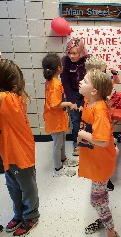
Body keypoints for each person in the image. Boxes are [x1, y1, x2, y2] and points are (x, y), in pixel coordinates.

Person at [0, 59, 40, 236]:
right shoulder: (9, 99)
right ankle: (19, 214)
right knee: (13, 187)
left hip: (21, 154)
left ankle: (31, 215)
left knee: (27, 187)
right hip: (9, 153)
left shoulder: (8, 100)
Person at [77, 69, 119, 237]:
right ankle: (104, 219)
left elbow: (102, 140)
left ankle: (111, 230)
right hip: (96, 159)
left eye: (85, 81)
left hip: (101, 162)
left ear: (94, 91)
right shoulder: (90, 100)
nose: (81, 81)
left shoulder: (100, 110)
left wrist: (81, 134)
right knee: (101, 196)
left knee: (96, 199)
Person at [85, 55, 120, 191]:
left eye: (104, 71)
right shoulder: (91, 91)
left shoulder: (103, 83)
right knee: (102, 153)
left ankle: (103, 178)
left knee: (106, 151)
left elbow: (116, 80)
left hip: (105, 122)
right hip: (98, 125)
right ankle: (103, 180)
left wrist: (113, 72)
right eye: (102, 72)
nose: (104, 74)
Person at [42, 53, 78, 177]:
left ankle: (63, 160)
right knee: (58, 144)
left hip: (57, 118)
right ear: (58, 68)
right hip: (54, 118)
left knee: (61, 141)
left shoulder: (50, 81)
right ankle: (57, 169)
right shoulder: (55, 84)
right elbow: (54, 105)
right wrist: (69, 103)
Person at [61, 38, 89, 156]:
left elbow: (91, 79)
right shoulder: (65, 62)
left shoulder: (87, 60)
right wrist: (72, 101)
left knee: (88, 118)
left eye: (75, 53)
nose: (71, 56)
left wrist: (85, 102)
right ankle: (77, 144)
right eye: (70, 53)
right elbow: (65, 83)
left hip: (87, 93)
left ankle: (87, 141)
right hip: (73, 93)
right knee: (75, 119)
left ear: (81, 52)